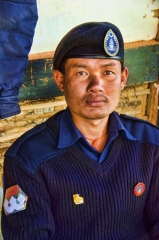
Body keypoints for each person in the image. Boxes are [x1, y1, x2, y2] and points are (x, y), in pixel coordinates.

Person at [1, 22, 159, 240]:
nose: (97, 85)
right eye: (82, 72)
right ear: (61, 80)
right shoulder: (28, 159)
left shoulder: (151, 143)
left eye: (108, 72)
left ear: (123, 78)